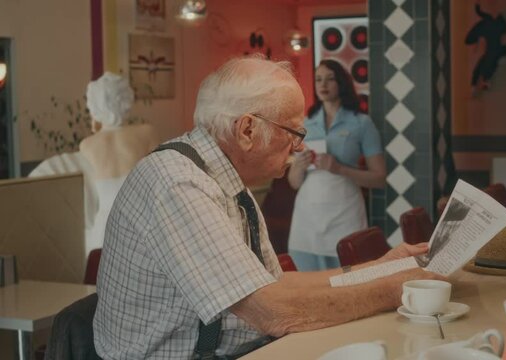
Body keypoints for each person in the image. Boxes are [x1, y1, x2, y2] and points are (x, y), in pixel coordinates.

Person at [93, 55, 442, 360]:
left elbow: (276, 286)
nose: (297, 146)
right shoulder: (179, 184)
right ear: (246, 129)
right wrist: (396, 288)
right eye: (292, 131)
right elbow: (274, 311)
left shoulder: (221, 174)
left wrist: (380, 269)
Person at [287, 59, 386, 271]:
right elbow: (294, 183)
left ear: (341, 83)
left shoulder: (362, 123)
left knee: (348, 277)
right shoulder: (304, 124)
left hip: (345, 212)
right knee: (308, 284)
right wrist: (299, 167)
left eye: (330, 79)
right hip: (308, 214)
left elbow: (379, 178)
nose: (323, 84)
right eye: (319, 79)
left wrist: (339, 168)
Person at [80, 72, 159, 257]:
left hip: (104, 228)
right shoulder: (147, 132)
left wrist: (96, 126)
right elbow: (160, 179)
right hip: (140, 223)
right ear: (126, 100)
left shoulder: (87, 144)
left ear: (94, 106)